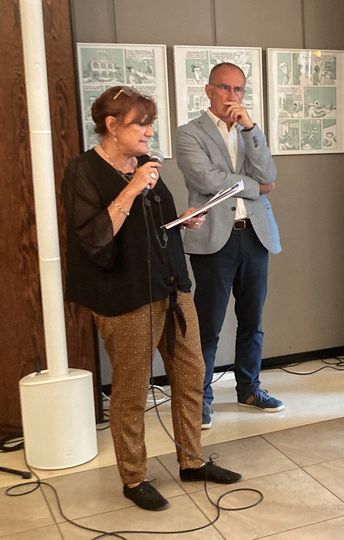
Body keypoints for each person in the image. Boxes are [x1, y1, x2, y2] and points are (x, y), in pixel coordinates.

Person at [62, 86, 241, 511]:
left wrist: (183, 222)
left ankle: (192, 460)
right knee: (130, 389)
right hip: (123, 296)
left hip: (171, 285)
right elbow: (93, 238)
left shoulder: (146, 165)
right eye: (140, 123)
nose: (148, 132)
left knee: (192, 371)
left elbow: (156, 225)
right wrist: (131, 189)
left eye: (150, 123)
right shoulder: (84, 171)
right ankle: (134, 476)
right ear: (111, 125)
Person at [176, 62, 283, 430]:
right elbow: (205, 180)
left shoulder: (250, 131)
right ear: (208, 90)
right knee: (208, 324)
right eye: (225, 88)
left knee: (252, 321)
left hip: (254, 235)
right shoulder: (189, 133)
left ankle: (249, 388)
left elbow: (269, 175)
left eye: (239, 90)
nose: (232, 97)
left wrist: (251, 129)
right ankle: (200, 397)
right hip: (213, 238)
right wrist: (253, 186)